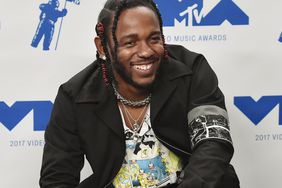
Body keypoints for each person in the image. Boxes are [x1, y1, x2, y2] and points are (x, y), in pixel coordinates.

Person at [39, 0, 240, 187]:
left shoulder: (192, 69)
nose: (146, 51)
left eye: (154, 39)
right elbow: (57, 178)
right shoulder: (75, 97)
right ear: (103, 47)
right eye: (130, 42)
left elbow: (213, 143)